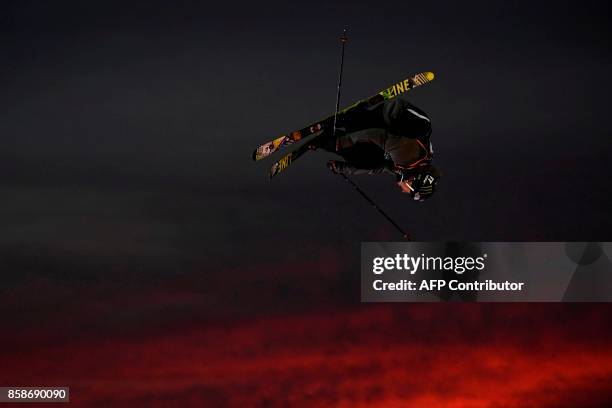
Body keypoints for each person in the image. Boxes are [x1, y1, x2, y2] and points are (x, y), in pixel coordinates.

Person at [310, 97, 440, 201]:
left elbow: (376, 168)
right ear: (411, 183)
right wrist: (339, 143)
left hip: (389, 131)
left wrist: (341, 167)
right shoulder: (408, 156)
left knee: (370, 159)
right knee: (357, 135)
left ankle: (329, 137)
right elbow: (375, 135)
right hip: (392, 114)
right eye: (408, 191)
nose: (403, 191)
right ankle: (355, 117)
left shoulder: (409, 168)